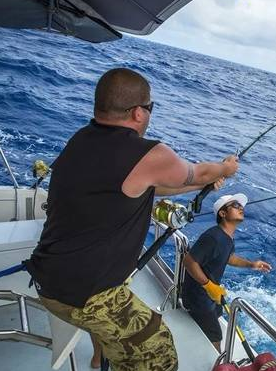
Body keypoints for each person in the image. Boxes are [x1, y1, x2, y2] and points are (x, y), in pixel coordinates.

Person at [25, 68, 239, 371]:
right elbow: (200, 172)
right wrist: (224, 169)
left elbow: (146, 185)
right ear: (139, 112)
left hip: (48, 279)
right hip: (86, 293)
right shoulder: (149, 153)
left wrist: (198, 186)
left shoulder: (82, 140)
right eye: (150, 108)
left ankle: (101, 357)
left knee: (111, 329)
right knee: (160, 353)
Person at [182, 193, 272, 352]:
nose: (241, 208)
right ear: (223, 214)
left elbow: (229, 257)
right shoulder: (213, 237)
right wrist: (209, 285)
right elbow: (189, 261)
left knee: (216, 314)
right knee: (216, 335)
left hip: (210, 294)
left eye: (241, 206)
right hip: (197, 295)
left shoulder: (227, 238)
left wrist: (251, 264)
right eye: (235, 206)